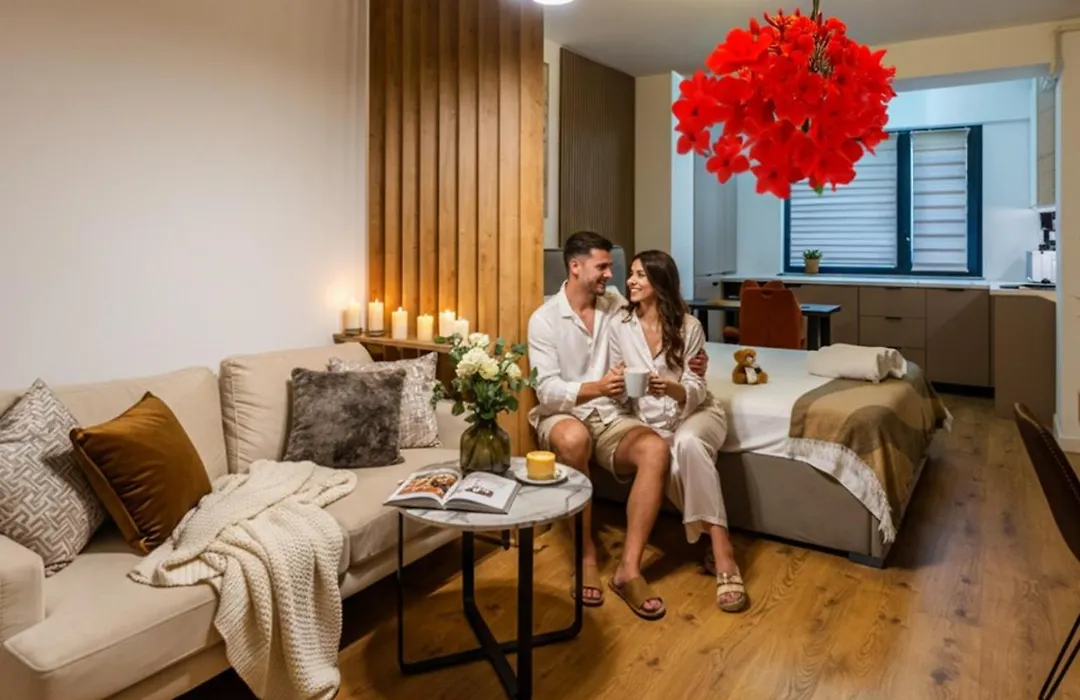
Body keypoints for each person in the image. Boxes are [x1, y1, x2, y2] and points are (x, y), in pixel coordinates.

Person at [527, 231, 708, 621]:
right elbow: (546, 390)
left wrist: (693, 359)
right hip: (564, 413)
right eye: (603, 267)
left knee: (655, 448)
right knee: (574, 439)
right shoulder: (544, 320)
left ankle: (628, 569)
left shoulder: (616, 305)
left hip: (611, 414)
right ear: (575, 267)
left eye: (611, 267)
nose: (613, 275)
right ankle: (586, 555)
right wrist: (596, 387)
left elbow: (661, 320)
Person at [608, 249, 748, 613]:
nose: (630, 281)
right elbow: (617, 381)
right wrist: (618, 382)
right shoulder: (619, 325)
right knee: (668, 461)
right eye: (631, 273)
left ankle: (723, 552)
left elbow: (697, 387)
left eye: (640, 275)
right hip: (651, 422)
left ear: (659, 282)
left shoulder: (688, 326)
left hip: (697, 412)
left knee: (687, 442)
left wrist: (670, 389)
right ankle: (717, 543)